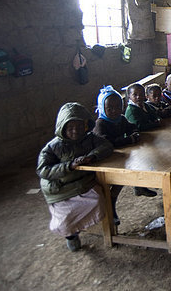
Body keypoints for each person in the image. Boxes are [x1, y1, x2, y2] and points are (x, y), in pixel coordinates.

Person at [36, 102, 113, 251]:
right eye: (70, 128)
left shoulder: (89, 138)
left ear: (85, 126)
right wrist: (69, 166)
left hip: (82, 182)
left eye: (79, 127)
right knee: (64, 220)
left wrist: (92, 156)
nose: (75, 131)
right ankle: (71, 235)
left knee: (97, 199)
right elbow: (43, 170)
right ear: (62, 128)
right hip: (60, 188)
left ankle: (77, 227)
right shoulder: (53, 146)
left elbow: (106, 146)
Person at [92, 86, 156, 220]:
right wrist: (127, 140)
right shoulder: (101, 123)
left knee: (138, 162)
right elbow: (107, 143)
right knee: (114, 186)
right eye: (110, 108)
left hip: (120, 156)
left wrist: (134, 133)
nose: (114, 111)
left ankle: (139, 187)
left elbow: (131, 126)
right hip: (106, 161)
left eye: (118, 107)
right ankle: (110, 211)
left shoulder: (120, 118)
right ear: (102, 108)